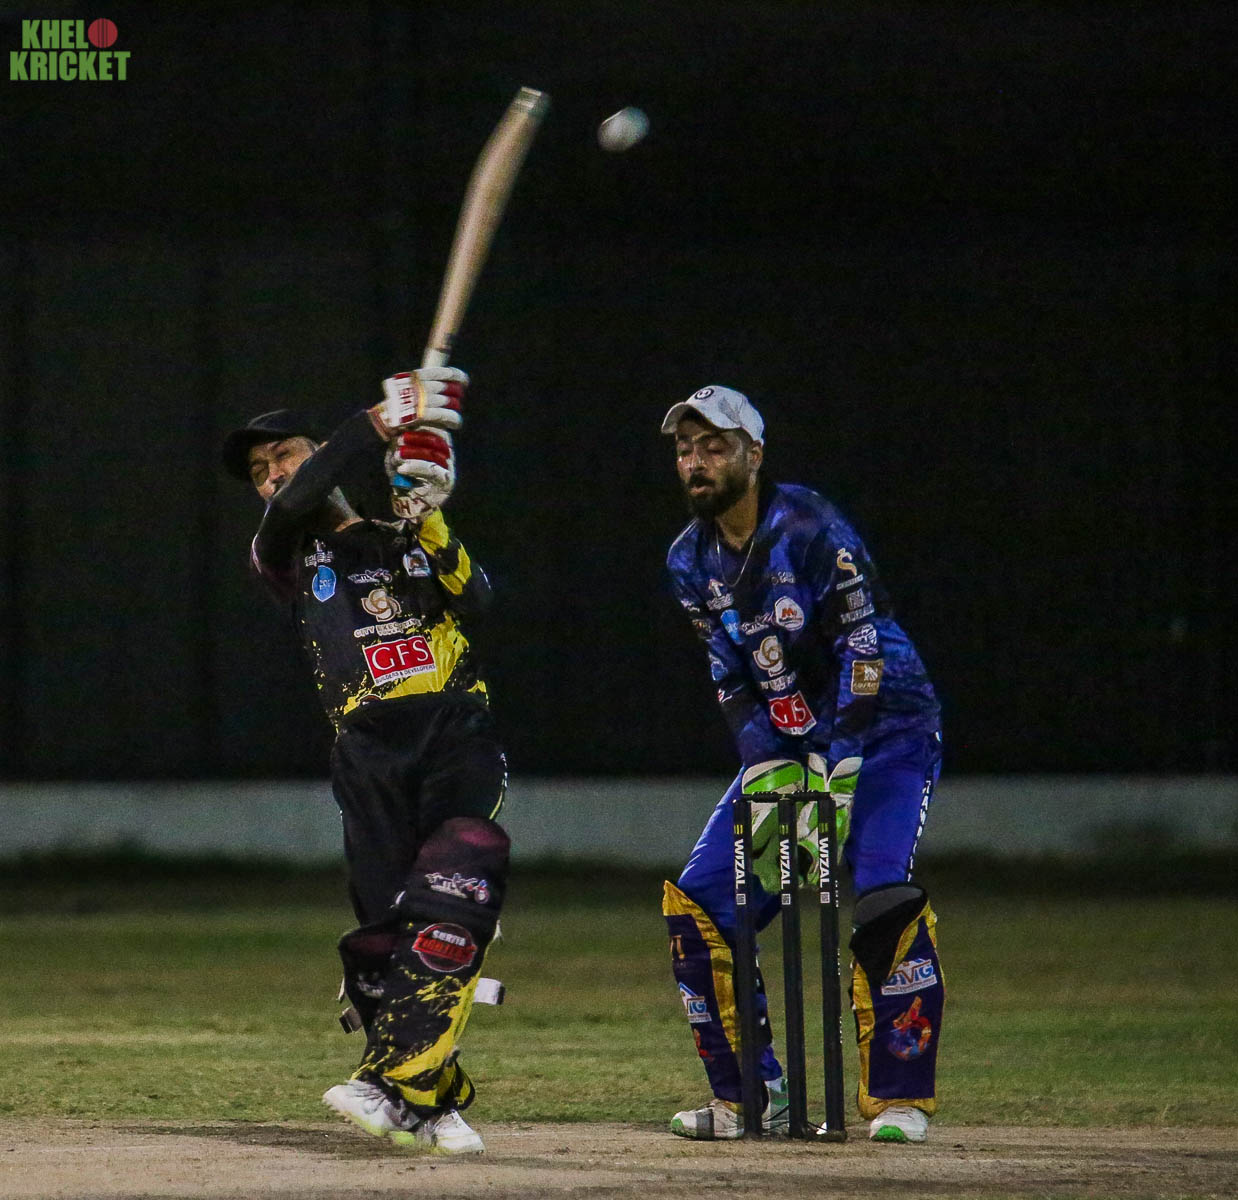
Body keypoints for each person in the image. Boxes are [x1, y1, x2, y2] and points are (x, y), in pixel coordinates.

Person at [222, 366, 509, 1155]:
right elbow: (294, 503)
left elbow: (477, 597)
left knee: (455, 882)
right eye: (260, 470)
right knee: (385, 938)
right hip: (366, 747)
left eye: (285, 455)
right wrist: (378, 422)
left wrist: (429, 514)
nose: (273, 476)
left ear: (320, 454)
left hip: (452, 727)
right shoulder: (282, 551)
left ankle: (393, 1087)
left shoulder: (403, 537)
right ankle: (431, 1099)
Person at [660, 385, 944, 1144]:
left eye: (715, 446)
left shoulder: (809, 526)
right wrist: (768, 764)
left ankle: (899, 1100)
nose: (697, 462)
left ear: (754, 454)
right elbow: (729, 677)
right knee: (701, 907)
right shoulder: (688, 560)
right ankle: (754, 1100)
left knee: (882, 897)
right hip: (792, 742)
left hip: (886, 732)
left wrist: (839, 767)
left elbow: (863, 650)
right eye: (686, 450)